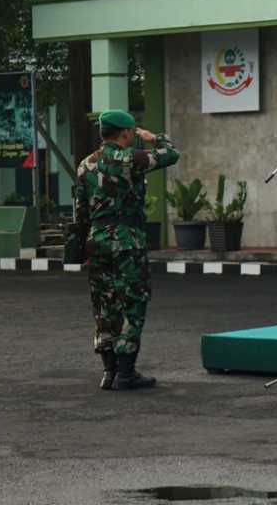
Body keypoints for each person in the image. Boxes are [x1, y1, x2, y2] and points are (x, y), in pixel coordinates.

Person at [74, 109, 179, 390]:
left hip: (97, 241)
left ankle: (109, 372)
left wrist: (84, 246)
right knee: (133, 301)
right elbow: (171, 154)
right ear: (125, 133)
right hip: (126, 240)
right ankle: (126, 372)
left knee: (104, 305)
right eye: (132, 132)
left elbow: (80, 212)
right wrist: (154, 137)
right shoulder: (130, 159)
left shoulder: (86, 165)